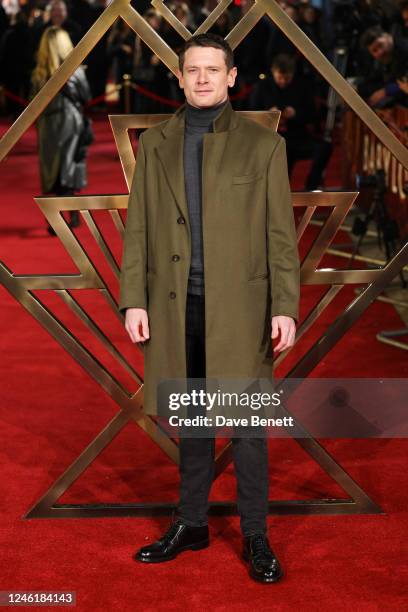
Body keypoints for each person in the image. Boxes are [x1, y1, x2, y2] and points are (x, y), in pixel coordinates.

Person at [119, 33, 300, 583]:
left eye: (211, 69)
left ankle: (256, 535)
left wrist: (285, 305)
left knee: (247, 426)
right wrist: (133, 299)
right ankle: (192, 523)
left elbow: (279, 235)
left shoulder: (262, 145)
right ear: (179, 77)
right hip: (176, 307)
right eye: (192, 69)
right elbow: (141, 228)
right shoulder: (155, 144)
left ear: (231, 76)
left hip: (243, 309)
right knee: (192, 421)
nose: (201, 78)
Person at [31, 26, 92, 233]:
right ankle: (70, 215)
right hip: (70, 120)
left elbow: (32, 105)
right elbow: (87, 97)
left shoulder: (39, 74)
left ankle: (56, 218)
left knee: (53, 170)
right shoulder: (75, 71)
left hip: (49, 124)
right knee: (67, 167)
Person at [250, 54, 331, 190]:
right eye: (279, 78)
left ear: (292, 74)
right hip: (272, 139)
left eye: (286, 78)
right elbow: (251, 114)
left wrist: (295, 113)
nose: (283, 81)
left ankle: (311, 186)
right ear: (273, 73)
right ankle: (278, 194)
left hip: (297, 136)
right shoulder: (262, 87)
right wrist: (269, 115)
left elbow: (314, 115)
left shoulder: (302, 86)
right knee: (282, 152)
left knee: (324, 147)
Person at [358, 25, 408, 108]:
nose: (380, 52)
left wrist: (387, 91)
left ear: (387, 36)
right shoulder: (386, 58)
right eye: (374, 51)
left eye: (380, 45)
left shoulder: (405, 48)